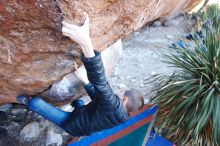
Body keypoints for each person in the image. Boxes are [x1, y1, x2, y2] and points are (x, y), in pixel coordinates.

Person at [16, 14, 144, 137]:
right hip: (85, 121)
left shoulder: (112, 105)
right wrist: (86, 82)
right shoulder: (122, 117)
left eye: (122, 92)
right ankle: (76, 105)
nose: (119, 90)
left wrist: (86, 43)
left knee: (36, 103)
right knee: (78, 102)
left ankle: (28, 101)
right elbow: (100, 99)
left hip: (71, 125)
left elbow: (100, 82)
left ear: (124, 99)